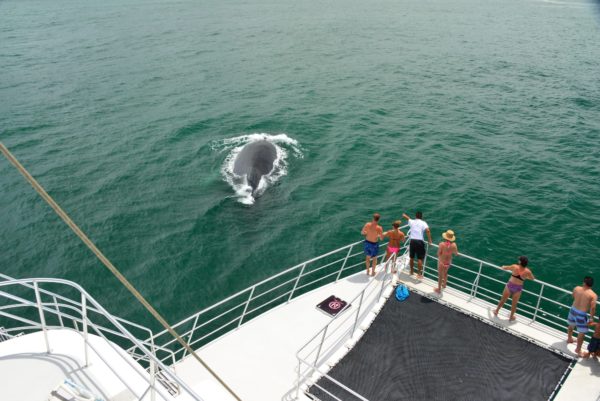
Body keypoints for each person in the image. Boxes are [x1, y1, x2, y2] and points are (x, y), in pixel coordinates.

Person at [493, 256, 535, 321]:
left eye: (519, 260)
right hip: (518, 288)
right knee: (514, 303)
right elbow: (532, 278)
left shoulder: (515, 266)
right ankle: (511, 317)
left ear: (520, 262)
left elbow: (506, 268)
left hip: (510, 285)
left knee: (503, 300)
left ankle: (496, 311)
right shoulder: (528, 271)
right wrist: (526, 277)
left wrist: (503, 266)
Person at [567, 276, 597, 357]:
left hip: (573, 310)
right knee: (582, 332)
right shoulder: (593, 295)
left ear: (584, 282)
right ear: (591, 285)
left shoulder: (576, 288)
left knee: (571, 325)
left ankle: (569, 339)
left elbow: (573, 296)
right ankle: (578, 349)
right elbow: (593, 307)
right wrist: (591, 317)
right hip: (581, 314)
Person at [402, 211, 432, 279]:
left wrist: (404, 215)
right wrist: (429, 240)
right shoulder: (423, 223)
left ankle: (411, 271)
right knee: (419, 258)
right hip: (419, 241)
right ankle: (419, 274)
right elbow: (427, 230)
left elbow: (408, 218)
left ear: (415, 216)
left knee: (411, 257)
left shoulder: (412, 221)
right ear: (421, 217)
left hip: (412, 241)